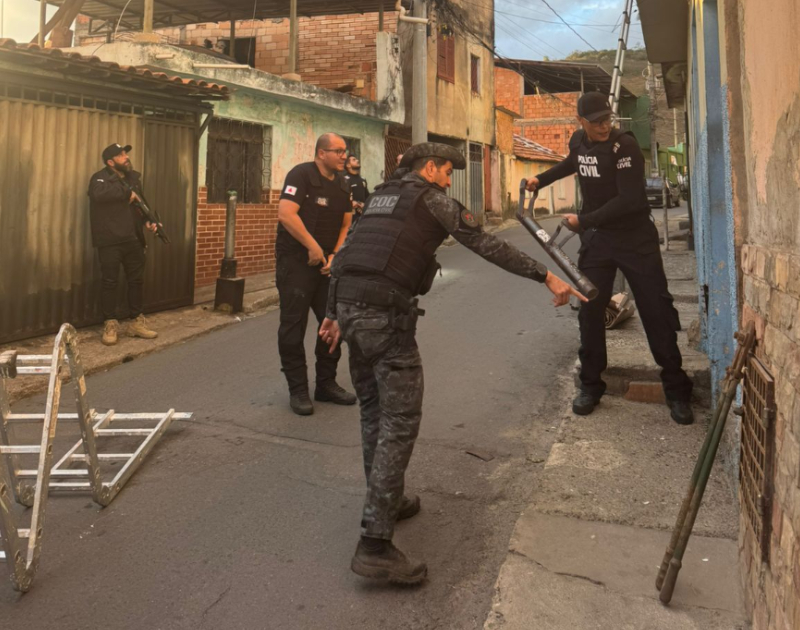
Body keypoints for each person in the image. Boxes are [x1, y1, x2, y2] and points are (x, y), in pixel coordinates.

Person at [319, 143, 586, 584]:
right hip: (384, 318)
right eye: (446, 171)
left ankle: (387, 498)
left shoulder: (380, 197)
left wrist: (332, 314)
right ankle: (374, 545)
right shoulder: (431, 199)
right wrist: (545, 274)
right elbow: (483, 244)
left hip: (350, 310)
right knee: (399, 422)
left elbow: (346, 255)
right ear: (428, 168)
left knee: (373, 411)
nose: (448, 180)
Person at [526, 91, 694, 425]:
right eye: (597, 121)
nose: (605, 126)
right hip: (599, 244)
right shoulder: (579, 142)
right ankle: (591, 385)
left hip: (635, 241)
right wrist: (539, 180)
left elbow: (630, 200)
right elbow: (570, 164)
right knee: (589, 311)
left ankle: (677, 390)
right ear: (581, 122)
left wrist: (583, 220)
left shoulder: (625, 146)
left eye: (608, 119)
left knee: (655, 312)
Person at [276, 133, 358, 415]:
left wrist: (334, 256)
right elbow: (286, 214)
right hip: (296, 263)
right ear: (321, 153)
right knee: (292, 327)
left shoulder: (344, 183)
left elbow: (346, 224)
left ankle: (326, 384)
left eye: (345, 151)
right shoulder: (300, 175)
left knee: (333, 323)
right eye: (338, 151)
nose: (343, 156)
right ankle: (297, 389)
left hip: (327, 266)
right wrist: (311, 246)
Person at [88, 144, 159, 346]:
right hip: (109, 241)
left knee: (136, 281)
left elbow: (139, 205)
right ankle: (110, 324)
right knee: (109, 282)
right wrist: (126, 193)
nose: (126, 157)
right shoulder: (99, 178)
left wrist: (148, 220)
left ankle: (136, 322)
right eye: (120, 155)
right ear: (110, 162)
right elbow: (98, 195)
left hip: (133, 239)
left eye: (126, 153)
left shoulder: (133, 178)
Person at [342, 155, 370, 223]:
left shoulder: (363, 179)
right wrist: (351, 203)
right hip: (350, 216)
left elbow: (367, 196)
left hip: (362, 216)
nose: (357, 160)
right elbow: (340, 198)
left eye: (356, 159)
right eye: (354, 160)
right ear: (348, 165)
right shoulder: (344, 180)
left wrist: (366, 204)